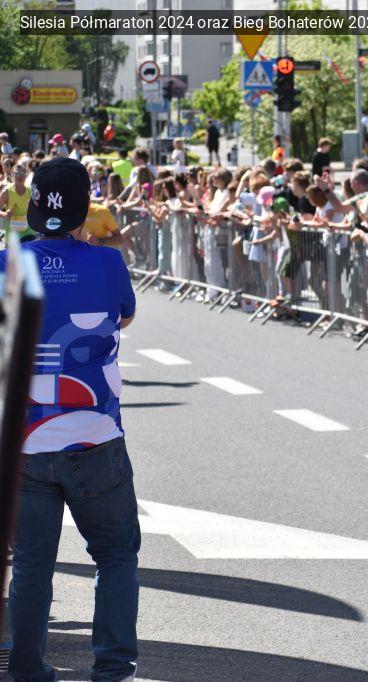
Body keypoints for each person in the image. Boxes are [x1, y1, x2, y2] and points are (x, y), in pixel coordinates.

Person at [3, 158, 139, 682]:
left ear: (36, 208)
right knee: (115, 555)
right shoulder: (107, 263)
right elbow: (125, 315)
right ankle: (113, 670)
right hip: (95, 435)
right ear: (85, 209)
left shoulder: (7, 263)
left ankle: (26, 668)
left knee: (31, 564)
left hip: (25, 440)